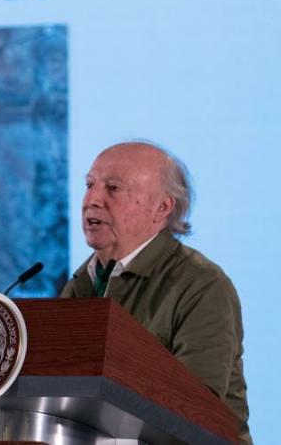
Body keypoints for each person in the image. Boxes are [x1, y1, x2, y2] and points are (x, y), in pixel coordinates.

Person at [61, 141, 251, 443]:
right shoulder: (80, 284)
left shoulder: (201, 284)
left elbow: (194, 407)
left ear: (162, 208)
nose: (92, 200)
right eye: (89, 184)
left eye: (113, 188)